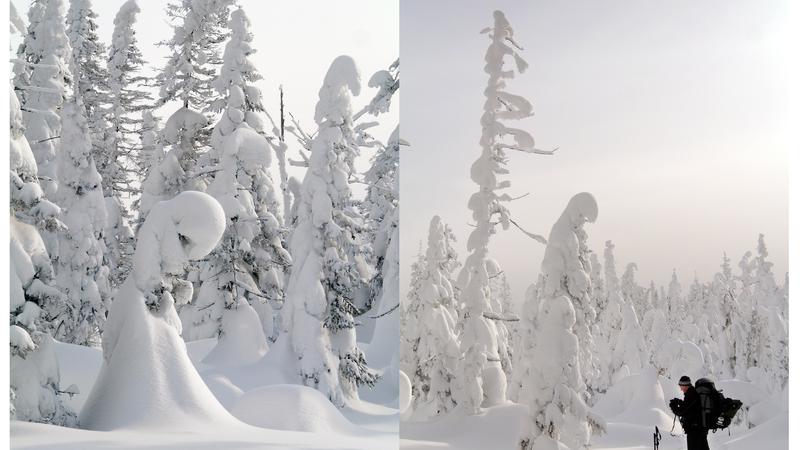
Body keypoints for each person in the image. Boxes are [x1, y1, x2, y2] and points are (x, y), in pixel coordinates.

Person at [669, 375, 710, 450]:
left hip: (695, 430)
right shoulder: (693, 393)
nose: (681, 389)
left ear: (685, 385)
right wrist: (679, 401)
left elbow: (682, 411)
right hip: (700, 429)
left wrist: (673, 406)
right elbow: (690, 407)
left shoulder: (691, 394)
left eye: (681, 386)